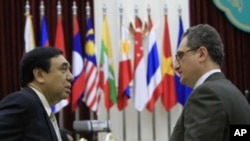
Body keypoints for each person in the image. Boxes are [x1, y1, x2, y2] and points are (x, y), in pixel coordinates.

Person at [170, 24, 250, 141]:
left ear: (202, 54)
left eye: (180, 56)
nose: (176, 66)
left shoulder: (206, 95)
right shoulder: (233, 93)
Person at [0, 47, 73, 141]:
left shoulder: (41, 110)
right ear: (39, 75)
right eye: (63, 70)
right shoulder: (24, 102)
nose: (71, 77)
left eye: (69, 70)